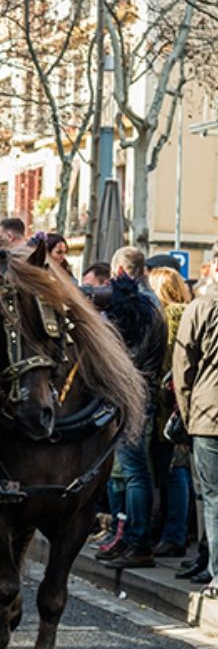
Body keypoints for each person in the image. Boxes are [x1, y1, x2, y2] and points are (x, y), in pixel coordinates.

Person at [98, 246, 168, 569]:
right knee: (130, 472)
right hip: (138, 393)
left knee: (135, 472)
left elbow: (131, 358)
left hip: (134, 396)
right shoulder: (147, 302)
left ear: (121, 271)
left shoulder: (142, 305)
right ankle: (129, 538)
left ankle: (138, 541)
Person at [175, 249, 218, 597]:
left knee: (214, 497)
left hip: (209, 415)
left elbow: (183, 368)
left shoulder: (201, 307)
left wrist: (188, 416)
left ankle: (217, 572)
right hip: (207, 413)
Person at [148, 266, 194, 559]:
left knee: (175, 471)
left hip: (169, 405)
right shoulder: (186, 311)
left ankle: (174, 533)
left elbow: (169, 362)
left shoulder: (167, 316)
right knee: (175, 471)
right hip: (178, 403)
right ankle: (173, 530)